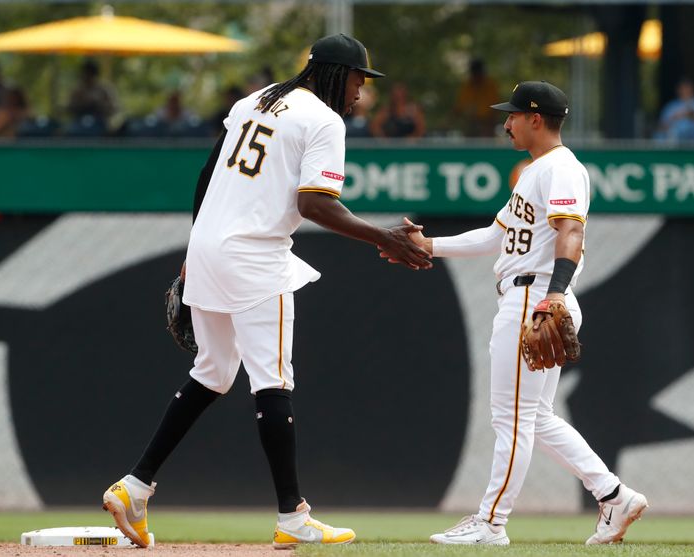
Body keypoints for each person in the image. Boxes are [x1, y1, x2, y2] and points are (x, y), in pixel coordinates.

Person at [101, 33, 431, 549]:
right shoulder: (324, 121)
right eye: (358, 80)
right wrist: (383, 236)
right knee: (273, 380)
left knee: (212, 372)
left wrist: (196, 246)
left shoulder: (254, 100)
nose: (361, 93)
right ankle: (292, 517)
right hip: (255, 255)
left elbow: (208, 174)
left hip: (208, 248)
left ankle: (136, 487)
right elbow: (316, 205)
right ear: (334, 74)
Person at [398, 81, 648, 546]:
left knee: (509, 419)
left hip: (535, 298)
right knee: (534, 418)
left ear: (536, 119)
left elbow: (570, 231)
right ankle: (614, 495)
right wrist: (427, 246)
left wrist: (553, 296)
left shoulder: (561, 168)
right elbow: (494, 238)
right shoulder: (535, 171)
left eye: (512, 115)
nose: (505, 122)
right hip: (528, 296)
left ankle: (491, 522)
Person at [654, 78, 694, 143]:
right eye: (683, 88)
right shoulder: (671, 106)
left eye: (688, 88)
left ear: (693, 89)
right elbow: (661, 127)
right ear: (678, 90)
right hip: (676, 139)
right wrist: (676, 116)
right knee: (661, 136)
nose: (686, 91)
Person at [453, 58, 501, 137]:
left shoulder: (490, 85)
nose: (476, 76)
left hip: (487, 125)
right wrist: (446, 124)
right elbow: (458, 108)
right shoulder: (467, 86)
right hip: (470, 125)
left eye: (478, 73)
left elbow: (495, 110)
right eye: (474, 73)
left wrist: (489, 127)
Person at [66, 59, 119, 130]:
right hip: (79, 124)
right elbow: (69, 108)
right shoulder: (77, 90)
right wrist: (82, 103)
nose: (87, 77)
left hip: (101, 125)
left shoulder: (104, 89)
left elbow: (114, 108)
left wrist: (99, 104)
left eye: (90, 74)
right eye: (86, 74)